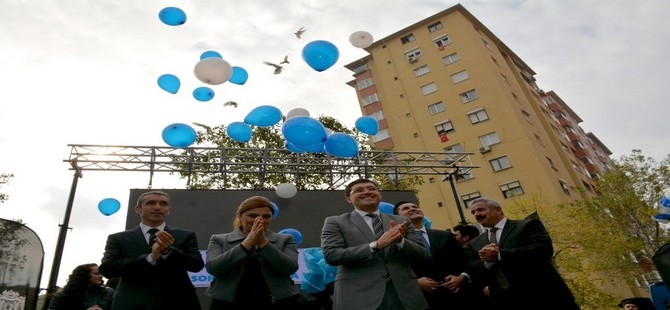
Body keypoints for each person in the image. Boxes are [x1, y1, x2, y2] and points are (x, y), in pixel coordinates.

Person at [320, 178, 429, 310]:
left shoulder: (402, 221)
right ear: (349, 199)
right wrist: (375, 245)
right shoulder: (336, 222)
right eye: (359, 190)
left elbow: (422, 253)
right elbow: (332, 255)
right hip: (359, 296)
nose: (367, 192)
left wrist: (400, 241)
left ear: (379, 194)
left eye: (371, 189)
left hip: (405, 295)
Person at [465, 197, 580, 310]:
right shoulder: (475, 243)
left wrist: (500, 255)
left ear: (498, 210)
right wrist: (487, 265)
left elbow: (543, 250)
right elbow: (473, 267)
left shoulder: (527, 225)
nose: (476, 214)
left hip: (546, 295)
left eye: (480, 210)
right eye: (473, 212)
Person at [99, 190, 204, 310]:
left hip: (179, 301)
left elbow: (196, 265)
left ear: (168, 209)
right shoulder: (118, 238)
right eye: (151, 203)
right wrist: (150, 258)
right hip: (132, 302)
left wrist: (169, 251)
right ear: (138, 209)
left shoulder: (185, 235)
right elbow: (107, 269)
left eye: (163, 204)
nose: (157, 207)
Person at [205, 195, 300, 309]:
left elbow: (289, 268)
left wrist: (264, 244)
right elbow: (213, 268)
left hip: (279, 300)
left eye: (266, 216)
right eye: (252, 215)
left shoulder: (286, 239)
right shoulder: (219, 239)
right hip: (228, 302)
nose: (259, 220)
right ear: (240, 216)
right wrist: (247, 244)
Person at [393, 201, 469, 309]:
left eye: (415, 206)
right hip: (420, 300)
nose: (412, 209)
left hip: (453, 296)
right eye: (405, 208)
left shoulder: (445, 235)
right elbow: (395, 269)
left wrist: (461, 277)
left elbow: (465, 260)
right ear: (397, 217)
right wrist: (415, 283)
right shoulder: (396, 240)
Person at [47, 263, 114, 310]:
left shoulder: (108, 292)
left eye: (101, 273)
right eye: (96, 274)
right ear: (84, 276)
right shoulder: (62, 295)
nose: (101, 276)